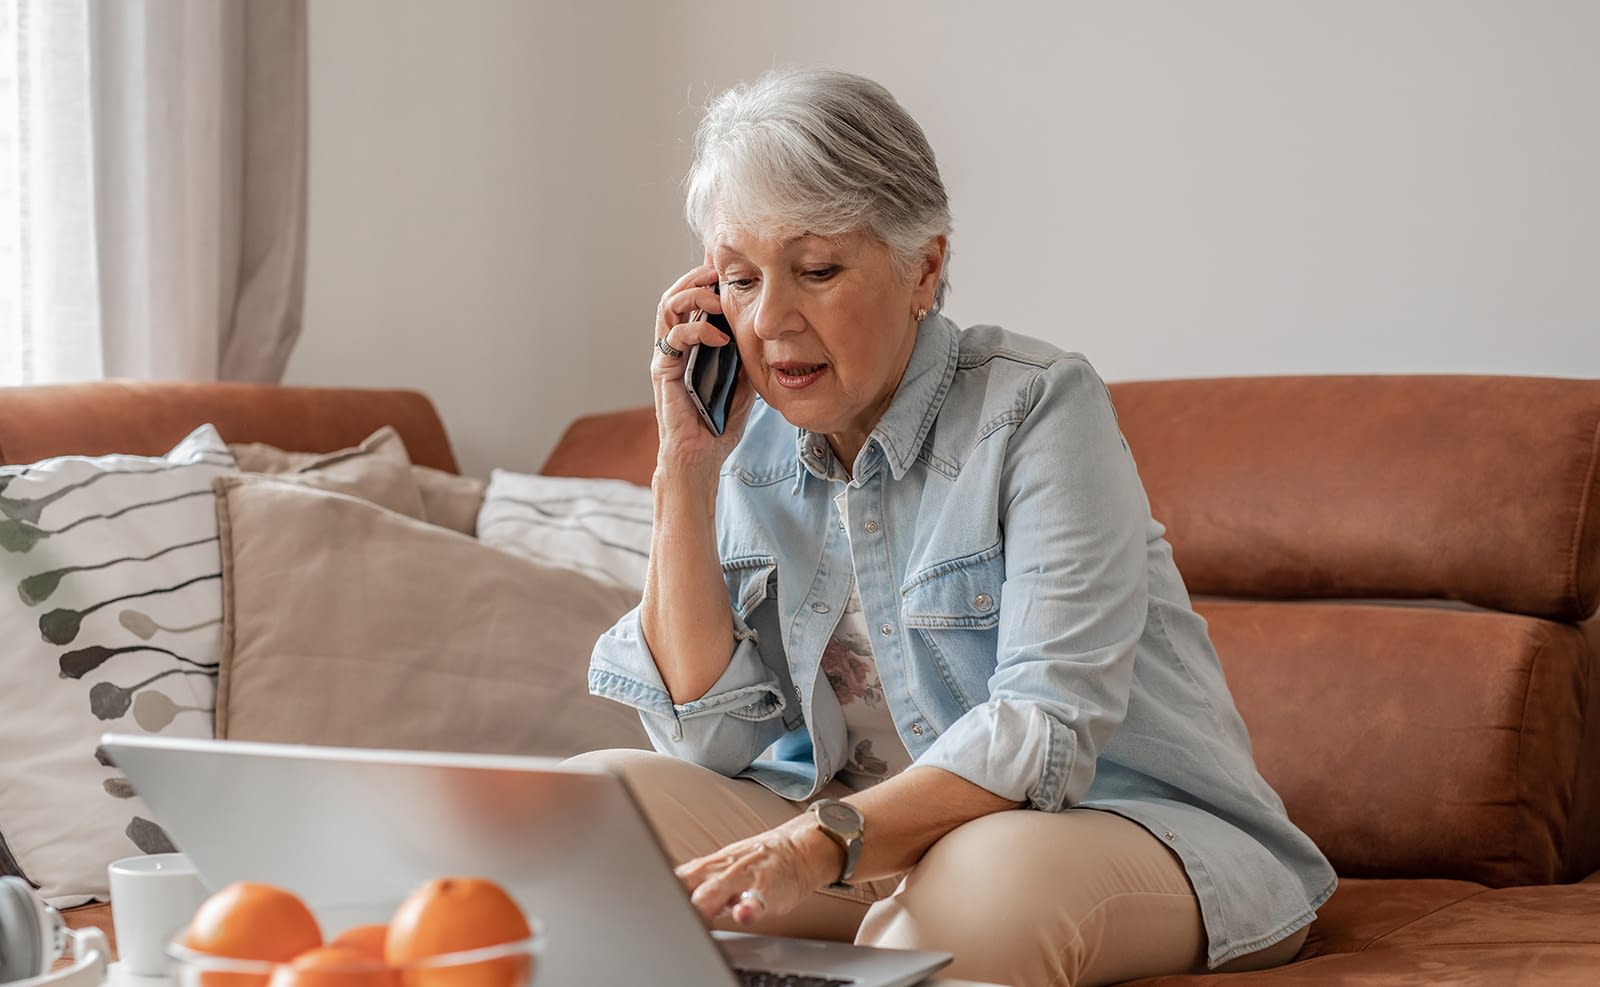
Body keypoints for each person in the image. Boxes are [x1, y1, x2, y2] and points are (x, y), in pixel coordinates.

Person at [581, 66, 1335, 987]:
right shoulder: (750, 440)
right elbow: (708, 744)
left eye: (816, 270)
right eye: (739, 278)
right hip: (857, 844)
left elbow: (1043, 726)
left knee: (971, 889)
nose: (770, 319)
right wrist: (685, 469)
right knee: (591, 812)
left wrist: (813, 845)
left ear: (924, 269)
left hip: (1115, 828)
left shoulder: (1038, 409)